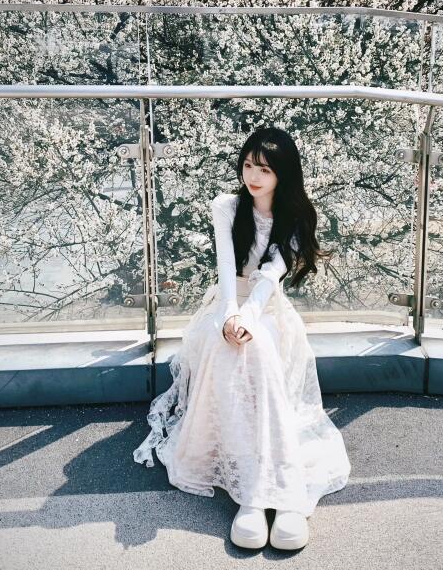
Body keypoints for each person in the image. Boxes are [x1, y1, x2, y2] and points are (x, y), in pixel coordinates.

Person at [133, 126, 351, 550]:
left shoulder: (295, 217)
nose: (253, 176)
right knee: (229, 349)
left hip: (267, 310)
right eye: (249, 165)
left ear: (283, 174)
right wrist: (231, 317)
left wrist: (249, 319)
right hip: (226, 304)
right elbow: (225, 268)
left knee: (259, 348)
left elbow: (270, 276)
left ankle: (284, 492)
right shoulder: (227, 207)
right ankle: (252, 494)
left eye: (265, 169)